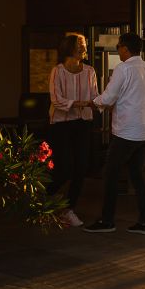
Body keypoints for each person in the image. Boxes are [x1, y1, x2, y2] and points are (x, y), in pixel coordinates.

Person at [84, 32, 145, 234]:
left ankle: (107, 221)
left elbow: (108, 97)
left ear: (125, 49)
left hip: (127, 132)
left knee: (110, 174)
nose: (118, 50)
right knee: (137, 175)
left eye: (119, 46)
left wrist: (93, 103)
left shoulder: (124, 68)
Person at [47, 33, 98, 227]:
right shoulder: (57, 71)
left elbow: (95, 96)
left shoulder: (90, 71)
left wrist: (102, 102)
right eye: (81, 44)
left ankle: (69, 210)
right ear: (70, 47)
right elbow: (56, 100)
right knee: (65, 168)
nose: (85, 47)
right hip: (61, 124)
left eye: (84, 44)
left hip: (83, 122)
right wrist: (82, 103)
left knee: (81, 168)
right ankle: (44, 196)